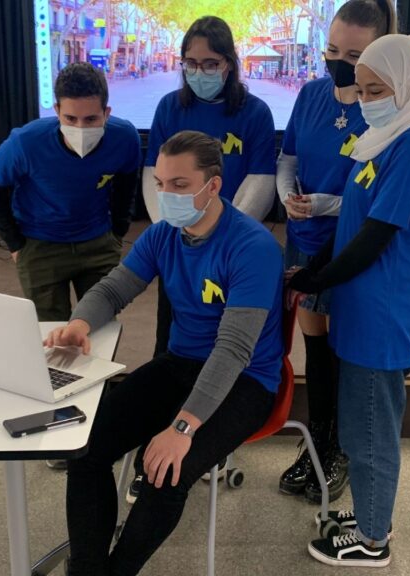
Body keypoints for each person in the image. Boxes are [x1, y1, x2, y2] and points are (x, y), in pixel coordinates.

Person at [49, 130, 284, 575]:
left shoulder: (253, 247)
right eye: (160, 183)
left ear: (213, 186)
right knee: (87, 451)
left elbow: (233, 350)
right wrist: (79, 323)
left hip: (246, 380)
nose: (166, 195)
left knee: (166, 475)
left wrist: (182, 427)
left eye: (179, 184)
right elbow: (113, 289)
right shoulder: (163, 235)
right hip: (180, 365)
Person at [290, 35, 410, 567]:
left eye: (376, 90)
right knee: (360, 418)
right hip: (360, 300)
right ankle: (373, 514)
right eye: (362, 89)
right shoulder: (385, 136)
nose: (365, 100)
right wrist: (318, 272)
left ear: (409, 86)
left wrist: (316, 278)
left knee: (370, 428)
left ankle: (372, 541)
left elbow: (376, 236)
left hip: (383, 307)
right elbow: (355, 216)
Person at [129, 15, 277, 501]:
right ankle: (154, 447)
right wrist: (174, 233)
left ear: (229, 64)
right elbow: (154, 173)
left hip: (231, 250)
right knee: (171, 348)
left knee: (226, 347)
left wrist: (220, 235)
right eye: (190, 63)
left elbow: (259, 181)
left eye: (210, 63)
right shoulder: (171, 107)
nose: (199, 71)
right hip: (181, 249)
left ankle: (210, 441)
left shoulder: (254, 113)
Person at [276, 0, 396, 507]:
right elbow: (288, 159)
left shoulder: (384, 111)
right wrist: (288, 197)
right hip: (303, 241)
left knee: (345, 351)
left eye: (353, 55)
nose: (339, 63)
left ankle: (341, 451)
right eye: (332, 50)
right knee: (315, 350)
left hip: (349, 247)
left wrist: (325, 203)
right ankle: (318, 443)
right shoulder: (310, 95)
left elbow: (379, 199)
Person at [0, 62, 140, 322]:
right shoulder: (26, 142)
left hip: (98, 243)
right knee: (50, 332)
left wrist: (118, 231)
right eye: (70, 119)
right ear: (57, 111)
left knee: (100, 325)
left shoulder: (124, 138)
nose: (80, 129)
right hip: (40, 246)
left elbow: (127, 182)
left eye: (91, 119)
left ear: (106, 113)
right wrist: (14, 244)